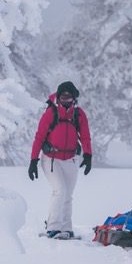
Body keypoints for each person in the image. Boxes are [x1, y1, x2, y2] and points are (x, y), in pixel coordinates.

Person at [28, 81, 92, 239]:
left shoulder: (78, 115)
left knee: (68, 195)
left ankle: (66, 228)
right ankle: (53, 228)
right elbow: (39, 137)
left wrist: (88, 155)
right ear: (58, 97)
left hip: (71, 159)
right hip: (51, 159)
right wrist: (33, 161)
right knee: (60, 191)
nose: (65, 101)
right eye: (62, 97)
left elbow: (85, 136)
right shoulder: (51, 113)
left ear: (74, 99)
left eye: (68, 98)